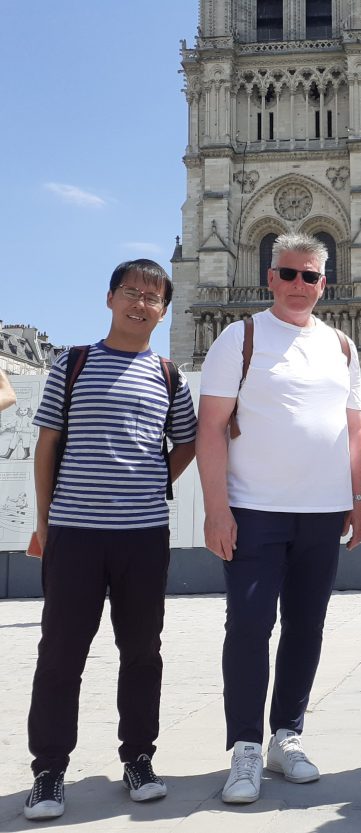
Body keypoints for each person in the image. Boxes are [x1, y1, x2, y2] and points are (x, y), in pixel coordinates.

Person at [196, 232, 361, 804]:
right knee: (248, 626)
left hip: (322, 512)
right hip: (254, 510)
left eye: (311, 276)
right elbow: (211, 427)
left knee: (307, 627)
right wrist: (216, 509)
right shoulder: (239, 337)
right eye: (289, 274)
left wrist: (358, 498)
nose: (300, 285)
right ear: (270, 276)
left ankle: (285, 736)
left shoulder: (342, 346)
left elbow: (355, 428)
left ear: (326, 283)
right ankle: (245, 747)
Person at [23, 260, 197, 821]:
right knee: (60, 655)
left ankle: (139, 757)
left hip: (143, 536)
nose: (140, 303)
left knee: (142, 653)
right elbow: (47, 446)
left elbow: (188, 443)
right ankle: (49, 770)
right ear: (109, 298)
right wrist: (45, 522)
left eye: (152, 297)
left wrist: (149, 480)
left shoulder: (170, 376)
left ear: (164, 309)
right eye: (130, 292)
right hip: (75, 534)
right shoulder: (72, 364)